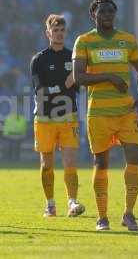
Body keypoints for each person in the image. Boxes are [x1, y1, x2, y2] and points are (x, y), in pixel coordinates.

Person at [73, 0, 138, 231]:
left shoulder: (127, 41)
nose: (107, 15)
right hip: (99, 113)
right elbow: (79, 77)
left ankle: (129, 214)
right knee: (101, 162)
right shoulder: (84, 41)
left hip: (126, 111)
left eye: (111, 12)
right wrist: (110, 77)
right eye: (102, 12)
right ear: (93, 15)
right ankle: (102, 217)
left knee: (135, 158)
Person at [31, 14, 85, 218]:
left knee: (70, 162)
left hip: (69, 116)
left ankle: (72, 202)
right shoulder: (38, 59)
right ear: (48, 33)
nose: (59, 34)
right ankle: (50, 204)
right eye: (55, 31)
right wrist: (63, 85)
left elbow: (78, 84)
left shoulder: (73, 58)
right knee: (47, 165)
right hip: (44, 118)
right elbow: (40, 91)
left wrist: (70, 82)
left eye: (62, 30)